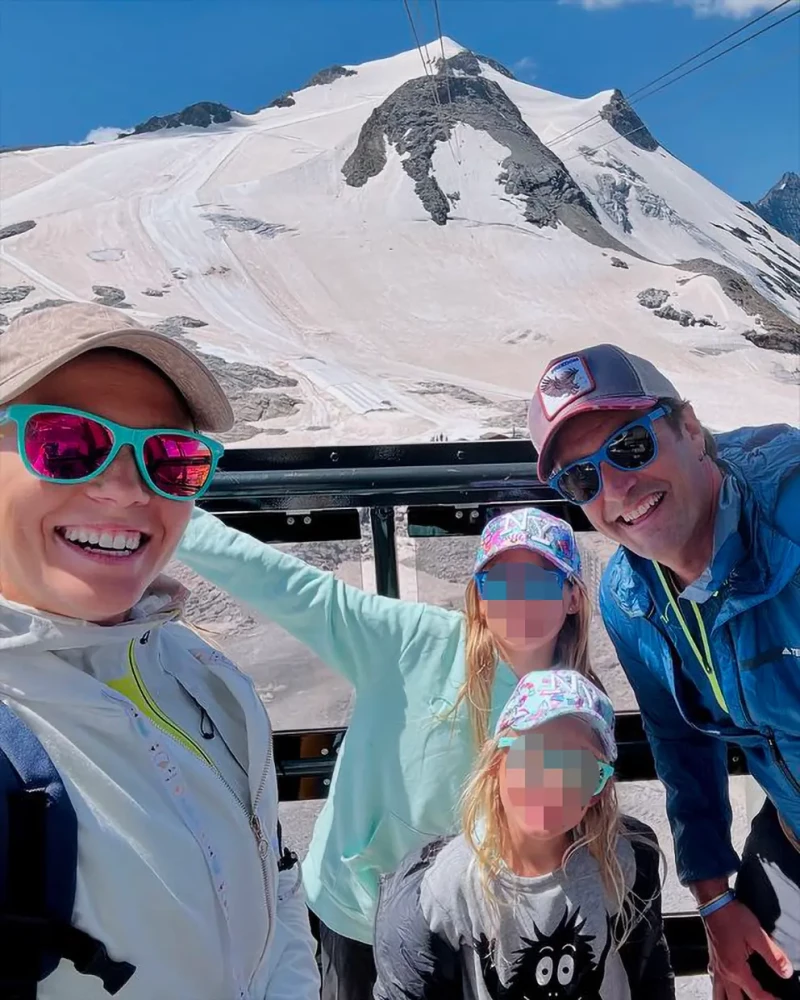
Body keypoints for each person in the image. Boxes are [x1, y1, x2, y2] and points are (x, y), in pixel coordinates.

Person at [0, 303, 319, 1000]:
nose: (123, 488)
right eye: (65, 441)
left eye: (170, 459)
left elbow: (276, 884)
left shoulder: (207, 677)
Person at [177, 503, 598, 1000]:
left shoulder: (578, 703)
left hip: (471, 928)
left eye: (541, 580)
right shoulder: (411, 641)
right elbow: (289, 587)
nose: (519, 599)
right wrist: (170, 515)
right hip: (357, 910)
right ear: (479, 597)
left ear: (572, 595)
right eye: (500, 581)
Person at [528, 343, 800, 999]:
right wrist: (711, 899)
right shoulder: (631, 600)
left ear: (690, 428)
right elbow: (680, 742)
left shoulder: (790, 508)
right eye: (582, 481)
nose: (616, 489)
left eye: (627, 447)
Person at [372, 669, 673, 999]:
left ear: (597, 792)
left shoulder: (625, 861)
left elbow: (651, 978)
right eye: (534, 754)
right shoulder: (437, 893)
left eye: (579, 767)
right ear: (495, 765)